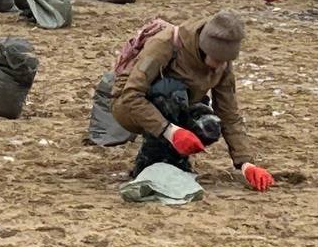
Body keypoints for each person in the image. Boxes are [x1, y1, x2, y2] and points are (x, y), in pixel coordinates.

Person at [111, 11, 274, 192]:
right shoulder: (164, 45)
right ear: (204, 49)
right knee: (171, 94)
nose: (221, 66)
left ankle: (176, 161)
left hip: (180, 107)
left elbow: (229, 114)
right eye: (218, 60)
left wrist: (246, 163)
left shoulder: (223, 63)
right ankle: (148, 164)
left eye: (226, 62)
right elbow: (131, 95)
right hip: (130, 107)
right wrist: (171, 131)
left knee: (209, 125)